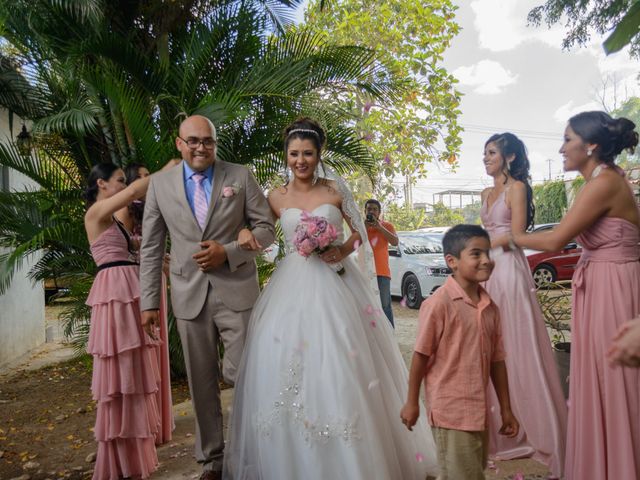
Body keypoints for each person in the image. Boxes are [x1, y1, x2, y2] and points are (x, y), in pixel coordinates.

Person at [223, 117, 439, 479]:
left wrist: (341, 249)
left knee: (342, 355)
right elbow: (262, 233)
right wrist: (245, 230)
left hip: (336, 283)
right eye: (294, 154)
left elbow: (360, 234)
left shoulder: (336, 189)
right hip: (290, 284)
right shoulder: (274, 195)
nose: (300, 160)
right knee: (282, 360)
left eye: (307, 153)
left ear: (318, 154)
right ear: (286, 155)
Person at [495, 111, 640, 479]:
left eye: (567, 139)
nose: (561, 148)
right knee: (597, 377)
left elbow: (555, 239)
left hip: (614, 286)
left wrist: (508, 237)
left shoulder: (604, 183)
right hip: (598, 284)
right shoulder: (598, 180)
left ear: (590, 145)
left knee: (615, 379)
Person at [139, 115, 275, 480]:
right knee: (200, 381)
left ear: (216, 143)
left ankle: (254, 450)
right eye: (194, 141)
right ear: (179, 143)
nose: (202, 148)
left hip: (237, 289)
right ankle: (211, 461)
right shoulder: (160, 184)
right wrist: (149, 302)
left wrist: (228, 251)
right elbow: (151, 246)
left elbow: (266, 228)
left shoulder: (239, 175)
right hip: (188, 294)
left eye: (209, 141)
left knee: (244, 372)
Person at [401, 224, 519, 480]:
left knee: (468, 472)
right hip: (450, 414)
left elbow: (497, 361)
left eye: (488, 253)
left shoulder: (490, 307)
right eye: (476, 254)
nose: (486, 260)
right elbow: (420, 355)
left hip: (478, 412)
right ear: (452, 261)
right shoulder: (438, 304)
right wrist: (412, 402)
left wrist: (506, 409)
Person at [84, 159, 177, 480]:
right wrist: (167, 171)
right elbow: (138, 189)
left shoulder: (115, 223)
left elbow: (136, 248)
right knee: (120, 375)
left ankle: (132, 452)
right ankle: (116, 456)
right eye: (119, 181)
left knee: (133, 374)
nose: (124, 186)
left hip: (128, 293)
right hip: (114, 296)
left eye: (125, 181)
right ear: (102, 185)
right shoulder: (95, 214)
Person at [480, 133, 566, 477]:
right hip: (486, 269)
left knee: (515, 342)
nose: (485, 159)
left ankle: (530, 422)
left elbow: (515, 234)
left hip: (509, 270)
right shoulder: (485, 193)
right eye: (484, 153)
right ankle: (497, 424)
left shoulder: (517, 188)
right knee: (489, 342)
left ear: (510, 157)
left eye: (491, 153)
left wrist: (482, 244)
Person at [116, 162, 174, 445]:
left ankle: (161, 419)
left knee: (159, 346)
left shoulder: (151, 206)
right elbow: (126, 246)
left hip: (155, 281)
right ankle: (150, 422)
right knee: (147, 348)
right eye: (140, 178)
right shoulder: (125, 209)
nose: (146, 180)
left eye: (147, 175)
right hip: (138, 283)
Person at [365, 199, 398, 326]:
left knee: (385, 305)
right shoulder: (361, 227)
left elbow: (395, 242)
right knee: (367, 305)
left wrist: (379, 227)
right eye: (369, 209)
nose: (371, 211)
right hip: (365, 272)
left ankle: (390, 334)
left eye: (374, 209)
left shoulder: (387, 226)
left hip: (382, 272)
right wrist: (364, 227)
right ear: (365, 211)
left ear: (379, 212)